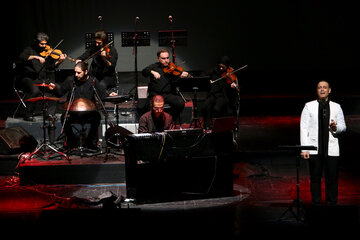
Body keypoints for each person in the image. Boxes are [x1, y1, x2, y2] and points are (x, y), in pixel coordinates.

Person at [300, 80, 346, 206]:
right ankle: (316, 204)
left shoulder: (337, 107)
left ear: (329, 90)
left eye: (324, 87)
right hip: (314, 148)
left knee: (332, 178)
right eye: (319, 87)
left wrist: (336, 127)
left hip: (331, 149)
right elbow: (304, 128)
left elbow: (343, 126)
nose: (322, 89)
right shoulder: (309, 106)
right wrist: (304, 148)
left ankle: (332, 204)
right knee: (315, 178)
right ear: (317, 90)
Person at [51, 62, 116, 150]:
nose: (76, 74)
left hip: (88, 112)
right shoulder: (70, 80)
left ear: (85, 72)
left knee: (96, 117)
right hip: (73, 112)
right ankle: (72, 141)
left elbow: (102, 95)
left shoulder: (93, 81)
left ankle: (90, 142)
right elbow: (60, 92)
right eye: (75, 72)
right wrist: (54, 88)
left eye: (78, 72)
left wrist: (110, 95)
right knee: (64, 117)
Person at [17, 32, 67, 121]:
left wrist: (60, 61)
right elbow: (21, 57)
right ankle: (28, 114)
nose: (44, 46)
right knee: (35, 90)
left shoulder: (46, 53)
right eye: (42, 44)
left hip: (41, 79)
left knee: (56, 88)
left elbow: (51, 67)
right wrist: (36, 57)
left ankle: (50, 114)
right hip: (28, 78)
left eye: (45, 44)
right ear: (36, 42)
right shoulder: (29, 49)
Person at [142, 49, 190, 123]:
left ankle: (171, 120)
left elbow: (175, 83)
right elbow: (144, 72)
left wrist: (180, 77)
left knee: (180, 103)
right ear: (158, 58)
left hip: (168, 95)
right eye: (163, 58)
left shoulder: (172, 68)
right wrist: (152, 72)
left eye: (167, 58)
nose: (166, 61)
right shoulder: (154, 66)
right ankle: (154, 125)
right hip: (155, 95)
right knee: (150, 106)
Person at [201, 56, 239, 129]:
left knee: (217, 109)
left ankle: (219, 127)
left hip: (222, 95)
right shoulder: (214, 70)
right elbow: (203, 74)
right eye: (220, 66)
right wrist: (208, 80)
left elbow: (231, 91)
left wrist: (232, 85)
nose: (221, 69)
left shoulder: (229, 73)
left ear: (227, 66)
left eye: (223, 67)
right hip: (212, 94)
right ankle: (207, 126)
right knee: (204, 106)